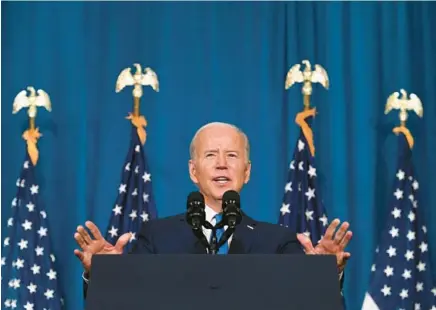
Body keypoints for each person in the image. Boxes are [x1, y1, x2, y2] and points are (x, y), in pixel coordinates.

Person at [74, 122, 352, 297]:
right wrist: (103, 275)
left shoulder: (278, 241)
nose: (222, 164)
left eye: (232, 155)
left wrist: (323, 275)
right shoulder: (156, 237)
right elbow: (127, 304)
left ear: (247, 172)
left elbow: (306, 305)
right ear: (193, 172)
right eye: (210, 155)